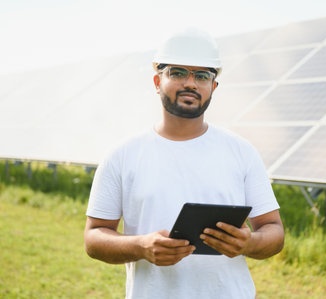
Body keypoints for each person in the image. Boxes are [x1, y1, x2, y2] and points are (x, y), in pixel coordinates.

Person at [84, 28, 284, 299]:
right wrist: (141, 246)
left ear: (213, 87)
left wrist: (250, 243)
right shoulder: (121, 155)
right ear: (157, 81)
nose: (191, 83)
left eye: (202, 75)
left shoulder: (242, 152)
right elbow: (94, 238)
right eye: (177, 72)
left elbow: (274, 231)